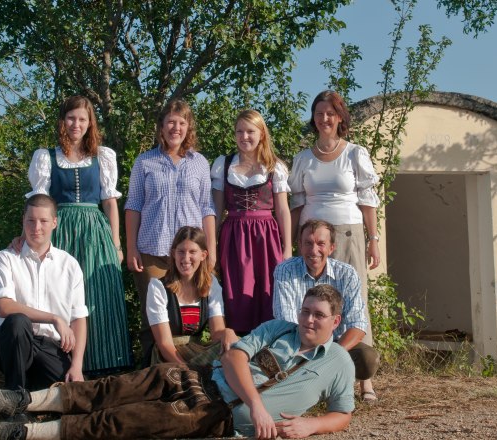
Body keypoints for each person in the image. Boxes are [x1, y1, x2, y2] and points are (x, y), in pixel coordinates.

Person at [0, 284, 356, 440]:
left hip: (215, 414)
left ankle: (19, 434)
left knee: (122, 420)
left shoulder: (339, 363)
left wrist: (312, 425)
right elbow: (237, 356)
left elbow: (343, 414)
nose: (308, 319)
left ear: (335, 322)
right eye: (306, 311)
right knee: (113, 388)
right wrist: (257, 405)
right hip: (199, 375)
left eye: (318, 315)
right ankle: (21, 402)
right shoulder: (279, 328)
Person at [20, 95, 132, 376]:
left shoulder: (103, 156)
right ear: (62, 121)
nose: (76, 124)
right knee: (59, 294)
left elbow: (109, 202)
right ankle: (59, 365)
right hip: (61, 230)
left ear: (90, 123)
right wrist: (27, 237)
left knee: (100, 293)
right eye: (71, 118)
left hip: (96, 230)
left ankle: (105, 365)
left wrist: (117, 244)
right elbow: (38, 205)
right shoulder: (45, 157)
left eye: (82, 119)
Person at [288, 90, 381, 400]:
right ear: (313, 118)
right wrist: (292, 241)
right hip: (313, 239)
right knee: (315, 303)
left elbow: (368, 200)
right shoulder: (302, 159)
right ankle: (319, 374)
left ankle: (364, 379)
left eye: (330, 113)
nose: (324, 118)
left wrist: (374, 240)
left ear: (340, 117)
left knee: (355, 302)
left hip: (349, 234)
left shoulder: (355, 153)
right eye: (319, 113)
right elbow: (297, 203)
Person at [125, 99, 216, 361]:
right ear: (162, 127)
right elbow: (133, 206)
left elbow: (207, 208)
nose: (176, 128)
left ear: (189, 128)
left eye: (182, 123)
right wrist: (131, 247)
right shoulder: (145, 162)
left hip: (190, 253)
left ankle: (191, 366)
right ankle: (149, 370)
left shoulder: (199, 163)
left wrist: (210, 251)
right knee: (151, 314)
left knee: (189, 311)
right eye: (171, 122)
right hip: (153, 250)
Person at [0, 194, 88, 391]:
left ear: (54, 222)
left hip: (50, 347)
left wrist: (77, 366)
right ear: (23, 221)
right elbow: (3, 306)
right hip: (11, 343)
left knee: (73, 394)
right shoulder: (5, 258)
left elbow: (78, 318)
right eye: (30, 221)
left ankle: (32, 391)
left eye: (43, 221)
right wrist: (55, 318)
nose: (36, 228)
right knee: (18, 321)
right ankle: (14, 397)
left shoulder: (69, 265)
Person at [272, 219, 380, 399]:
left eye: (321, 244)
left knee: (367, 359)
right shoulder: (285, 271)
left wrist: (330, 355)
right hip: (298, 346)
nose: (314, 250)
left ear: (331, 248)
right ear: (299, 245)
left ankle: (329, 382)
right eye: (308, 243)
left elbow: (358, 323)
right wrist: (312, 355)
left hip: (337, 346)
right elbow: (287, 322)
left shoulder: (347, 273)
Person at [211, 109, 291, 334]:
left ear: (262, 134)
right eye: (239, 131)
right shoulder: (223, 165)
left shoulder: (275, 167)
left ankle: (268, 346)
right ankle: (239, 348)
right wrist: (212, 246)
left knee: (268, 289)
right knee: (236, 292)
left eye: (250, 131)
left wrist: (287, 249)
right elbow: (216, 210)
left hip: (266, 237)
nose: (244, 136)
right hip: (234, 236)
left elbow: (283, 210)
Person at [146, 226, 238, 366]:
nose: (186, 258)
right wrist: (188, 371)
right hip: (169, 357)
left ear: (203, 255)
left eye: (192, 252)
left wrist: (228, 332)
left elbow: (216, 333)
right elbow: (164, 344)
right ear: (173, 254)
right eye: (181, 252)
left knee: (238, 347)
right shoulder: (158, 287)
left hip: (197, 349)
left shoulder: (210, 284)